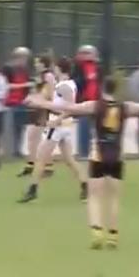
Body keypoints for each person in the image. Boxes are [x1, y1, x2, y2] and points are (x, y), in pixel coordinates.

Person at [26, 78, 139, 249]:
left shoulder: (95, 106)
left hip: (98, 157)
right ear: (116, 90)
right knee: (114, 198)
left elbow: (67, 108)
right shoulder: (125, 107)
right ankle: (113, 236)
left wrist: (41, 102)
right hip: (116, 157)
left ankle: (97, 231)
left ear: (102, 89)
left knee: (94, 197)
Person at [18, 57, 88, 203]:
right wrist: (37, 100)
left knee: (41, 159)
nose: (54, 69)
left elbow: (70, 107)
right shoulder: (64, 84)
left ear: (60, 68)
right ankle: (85, 186)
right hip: (64, 126)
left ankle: (33, 190)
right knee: (69, 159)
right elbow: (55, 102)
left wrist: (57, 120)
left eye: (56, 67)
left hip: (58, 126)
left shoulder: (64, 86)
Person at [17, 55, 56, 178]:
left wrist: (38, 99)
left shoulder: (48, 76)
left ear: (44, 64)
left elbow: (50, 94)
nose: (35, 65)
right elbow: (34, 92)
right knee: (32, 137)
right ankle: (31, 165)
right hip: (36, 109)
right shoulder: (38, 77)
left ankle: (47, 166)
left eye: (38, 62)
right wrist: (28, 99)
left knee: (39, 138)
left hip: (43, 110)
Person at [2, 47, 33, 159]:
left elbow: (28, 85)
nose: (24, 61)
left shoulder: (25, 69)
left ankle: (17, 150)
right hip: (10, 102)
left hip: (21, 102)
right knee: (10, 128)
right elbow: (5, 85)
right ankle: (9, 150)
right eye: (23, 58)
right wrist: (25, 85)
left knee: (20, 127)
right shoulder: (7, 69)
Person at [73, 45, 102, 158]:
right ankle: (84, 153)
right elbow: (75, 82)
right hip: (84, 102)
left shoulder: (98, 68)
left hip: (98, 101)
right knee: (84, 126)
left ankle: (100, 153)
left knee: (102, 129)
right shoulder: (78, 68)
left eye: (88, 53)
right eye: (83, 53)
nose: (85, 56)